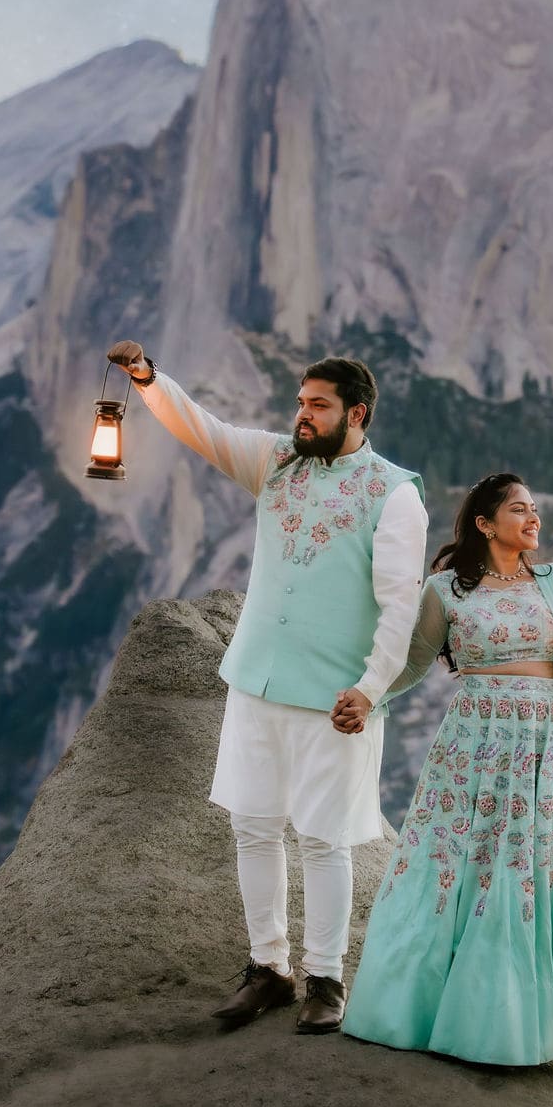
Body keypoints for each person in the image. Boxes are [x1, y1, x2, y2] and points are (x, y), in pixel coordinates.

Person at [105, 340, 428, 1036]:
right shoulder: (277, 459)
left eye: (318, 405)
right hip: (255, 678)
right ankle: (267, 967)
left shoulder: (394, 492)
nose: (301, 415)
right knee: (252, 824)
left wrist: (372, 688)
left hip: (337, 696)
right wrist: (148, 379)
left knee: (324, 838)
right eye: (300, 402)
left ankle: (327, 978)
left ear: (357, 413)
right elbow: (205, 430)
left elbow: (402, 604)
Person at [340, 472, 553, 1065]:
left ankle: (506, 1026)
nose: (533, 517)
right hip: (471, 748)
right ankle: (413, 1010)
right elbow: (413, 662)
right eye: (519, 509)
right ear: (486, 524)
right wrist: (367, 696)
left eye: (536, 508)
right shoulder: (446, 590)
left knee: (523, 871)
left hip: (545, 749)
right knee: (452, 866)